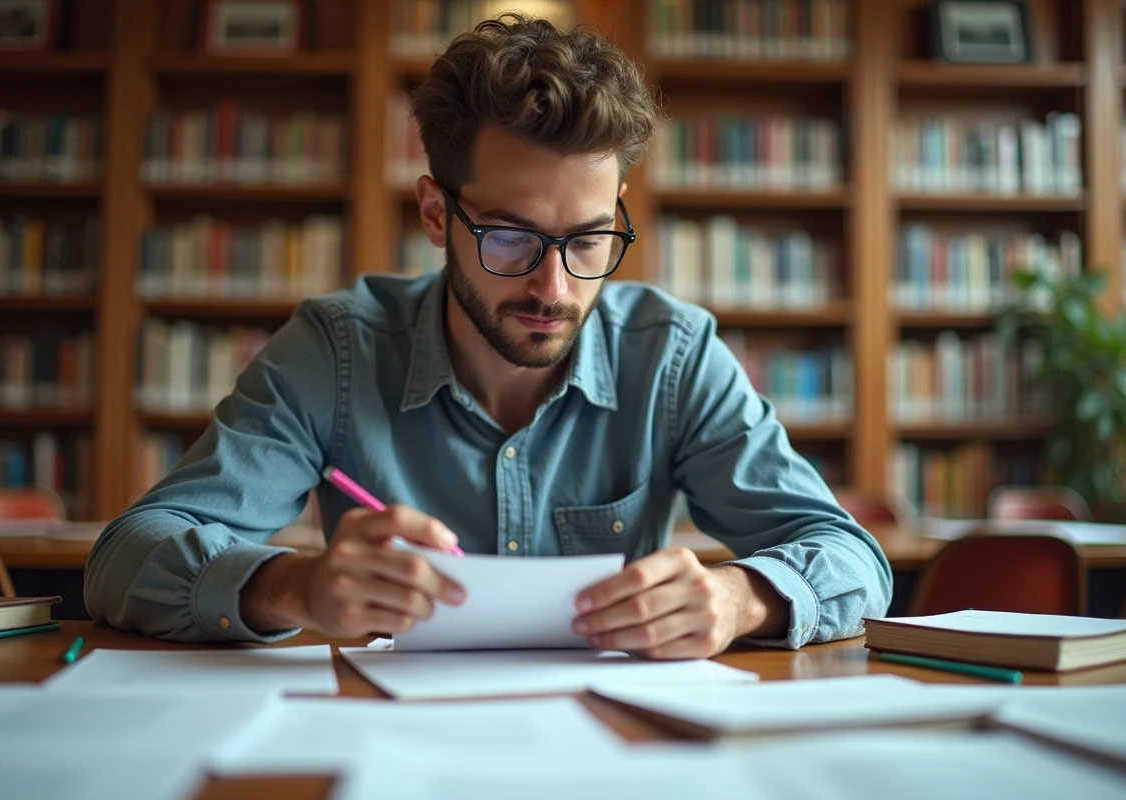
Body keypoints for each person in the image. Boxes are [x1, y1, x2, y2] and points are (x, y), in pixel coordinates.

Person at [85, 15, 891, 656]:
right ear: (437, 214)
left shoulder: (673, 355)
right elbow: (127, 555)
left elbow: (850, 556)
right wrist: (292, 587)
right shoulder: (334, 351)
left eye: (586, 240)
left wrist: (739, 597)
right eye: (509, 237)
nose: (554, 287)